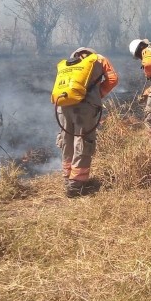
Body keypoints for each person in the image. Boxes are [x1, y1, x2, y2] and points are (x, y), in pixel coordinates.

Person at [52, 47, 119, 197]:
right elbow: (113, 79)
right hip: (85, 107)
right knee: (83, 140)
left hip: (62, 105)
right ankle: (76, 184)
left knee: (66, 139)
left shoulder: (69, 62)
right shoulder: (99, 59)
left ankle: (67, 177)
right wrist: (98, 94)